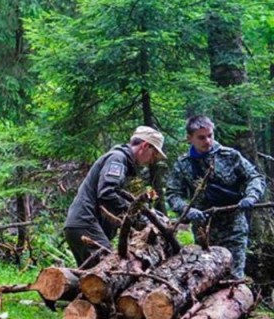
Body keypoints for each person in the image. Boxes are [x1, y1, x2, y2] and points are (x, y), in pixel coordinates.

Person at [166, 115, 265, 278]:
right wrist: (186, 209)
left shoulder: (230, 156)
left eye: (210, 136)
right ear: (189, 138)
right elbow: (173, 194)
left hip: (234, 227)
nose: (207, 141)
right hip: (204, 229)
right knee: (207, 278)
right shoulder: (183, 164)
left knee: (233, 276)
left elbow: (254, 177)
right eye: (201, 137)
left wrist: (251, 196)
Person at [63, 126, 166, 264]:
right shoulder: (117, 159)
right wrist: (136, 215)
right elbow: (107, 193)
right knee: (110, 271)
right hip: (85, 223)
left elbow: (114, 197)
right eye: (153, 154)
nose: (152, 160)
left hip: (81, 224)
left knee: (91, 279)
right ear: (145, 146)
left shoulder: (121, 161)